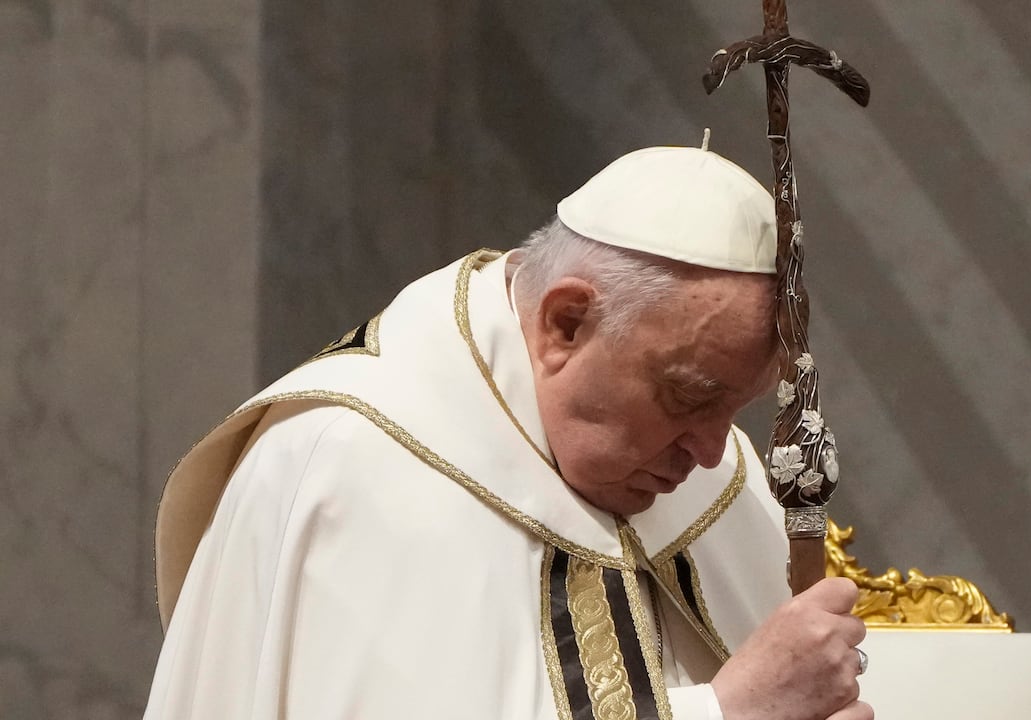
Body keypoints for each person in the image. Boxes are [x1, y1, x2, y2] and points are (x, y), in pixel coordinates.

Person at [145, 145, 872, 720]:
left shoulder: (716, 481)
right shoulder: (351, 465)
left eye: (736, 409)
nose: (712, 453)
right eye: (688, 397)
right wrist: (726, 713)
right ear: (566, 324)